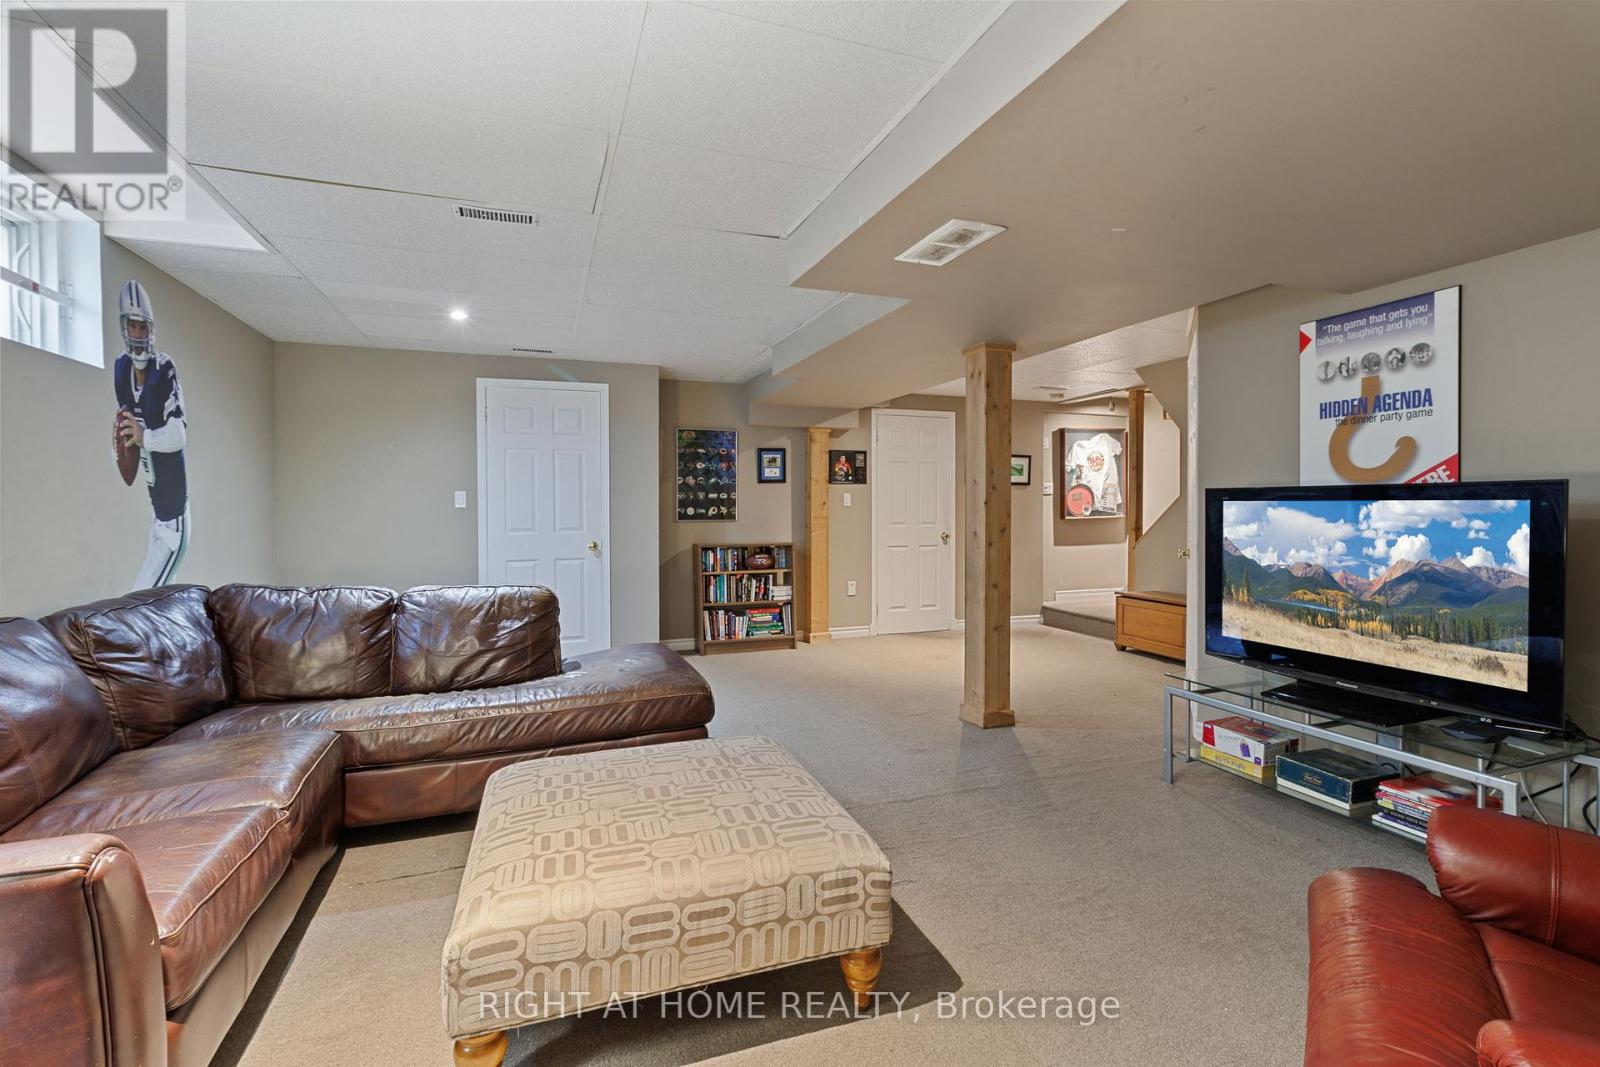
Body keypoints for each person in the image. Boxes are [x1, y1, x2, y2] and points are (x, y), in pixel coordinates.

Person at [113, 279, 190, 588]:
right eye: (132, 326)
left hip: (174, 517)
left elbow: (178, 435)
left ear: (150, 328)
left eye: (142, 326)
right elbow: (129, 438)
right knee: (151, 600)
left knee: (140, 598)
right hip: (158, 513)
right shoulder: (121, 369)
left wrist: (145, 436)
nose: (137, 333)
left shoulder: (163, 369)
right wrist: (122, 444)